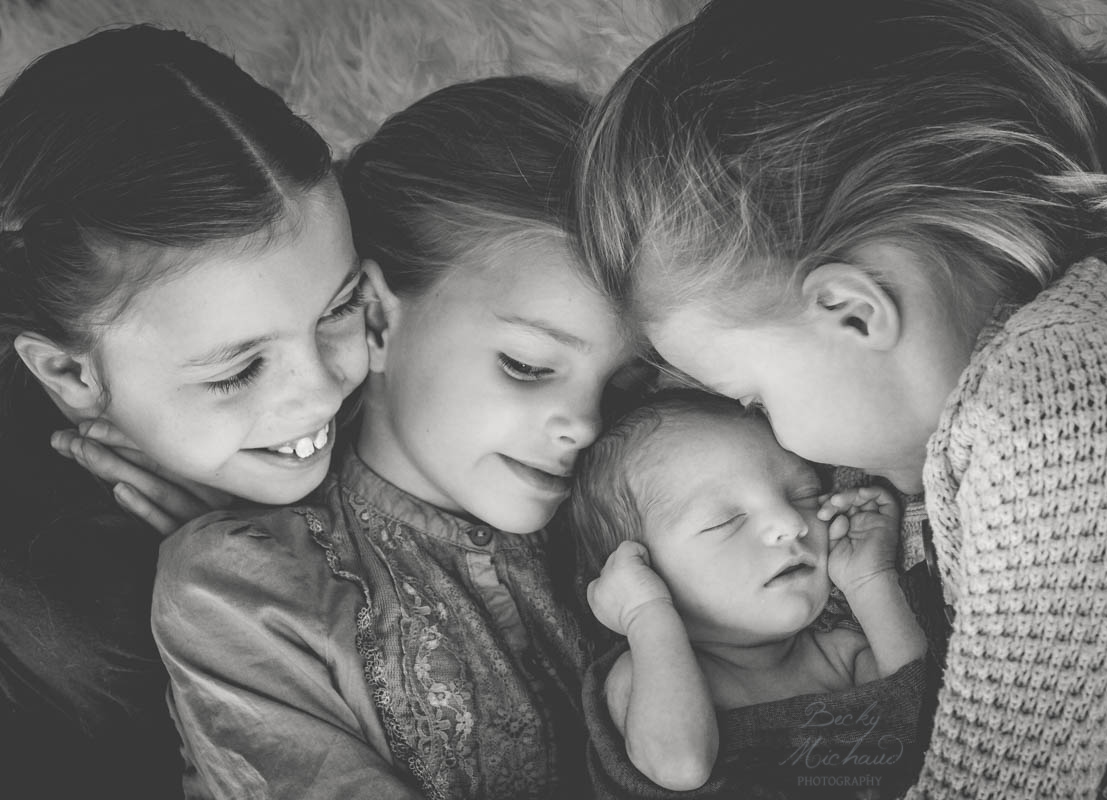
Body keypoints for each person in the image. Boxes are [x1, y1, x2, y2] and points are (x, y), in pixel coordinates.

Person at [574, 1, 1107, 798]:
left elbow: (1006, 770)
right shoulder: (969, 420)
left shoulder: (1066, 405)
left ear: (853, 313)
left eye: (757, 402)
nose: (793, 455)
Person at [150, 76, 633, 799]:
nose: (589, 422)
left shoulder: (637, 520)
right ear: (376, 319)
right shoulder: (244, 587)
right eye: (528, 366)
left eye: (626, 386)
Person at [0, 25, 370, 798]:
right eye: (238, 370)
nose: (327, 386)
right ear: (70, 373)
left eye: (340, 309)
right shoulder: (71, 627)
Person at [568, 390, 928, 798]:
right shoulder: (645, 673)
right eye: (725, 521)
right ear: (639, 572)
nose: (790, 522)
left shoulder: (842, 654)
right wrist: (647, 615)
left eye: (805, 495)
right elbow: (681, 766)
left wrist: (869, 579)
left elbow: (922, 713)